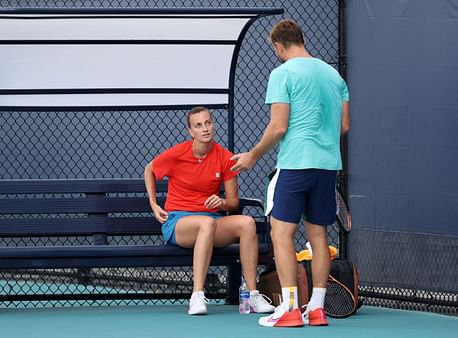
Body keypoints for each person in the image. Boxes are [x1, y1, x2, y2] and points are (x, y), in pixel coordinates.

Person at [230, 19, 350, 327]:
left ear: (279, 46)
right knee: (319, 235)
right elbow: (344, 126)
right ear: (301, 39)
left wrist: (253, 156)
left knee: (281, 233)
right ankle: (318, 309)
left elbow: (279, 126)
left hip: (295, 164)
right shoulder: (334, 75)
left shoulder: (281, 73)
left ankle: (291, 309)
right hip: (327, 166)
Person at [144, 106, 275, 315]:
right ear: (190, 131)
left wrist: (221, 203)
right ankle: (197, 295)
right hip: (179, 222)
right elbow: (149, 169)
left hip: (211, 222)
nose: (205, 128)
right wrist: (153, 203)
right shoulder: (178, 153)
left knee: (247, 223)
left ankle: (252, 295)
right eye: (198, 125)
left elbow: (232, 202)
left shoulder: (225, 157)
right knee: (207, 223)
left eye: (208, 123)